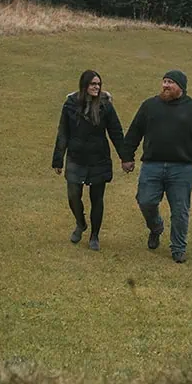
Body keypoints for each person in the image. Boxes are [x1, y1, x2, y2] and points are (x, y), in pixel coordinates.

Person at [121, 70, 192, 264]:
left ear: (181, 87)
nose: (165, 85)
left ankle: (178, 248)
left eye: (170, 82)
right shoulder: (149, 106)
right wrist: (127, 157)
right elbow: (134, 132)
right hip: (152, 165)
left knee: (180, 210)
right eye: (164, 81)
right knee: (145, 201)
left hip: (181, 169)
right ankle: (156, 228)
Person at [52, 70, 126, 251]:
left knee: (97, 199)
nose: (97, 87)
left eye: (99, 84)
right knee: (73, 195)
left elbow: (116, 132)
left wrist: (126, 157)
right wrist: (58, 159)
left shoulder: (105, 106)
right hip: (76, 158)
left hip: (98, 159)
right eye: (93, 84)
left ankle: (94, 235)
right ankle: (80, 223)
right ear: (84, 85)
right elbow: (63, 132)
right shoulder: (70, 105)